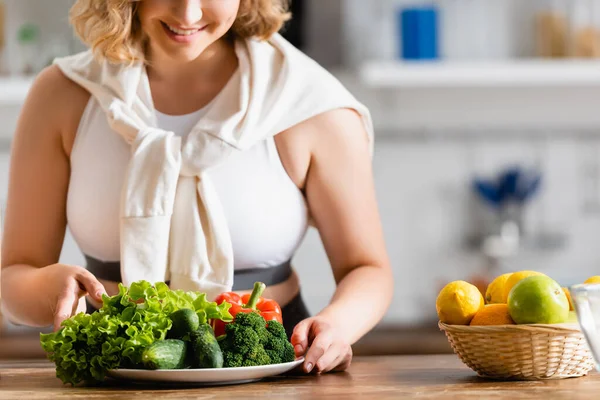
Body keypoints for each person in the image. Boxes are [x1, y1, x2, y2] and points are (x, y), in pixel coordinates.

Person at [0, 0, 393, 375]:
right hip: (111, 364)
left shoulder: (310, 103)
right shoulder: (62, 95)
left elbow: (367, 268)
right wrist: (47, 291)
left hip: (271, 362)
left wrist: (338, 324)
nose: (187, 13)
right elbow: (14, 278)